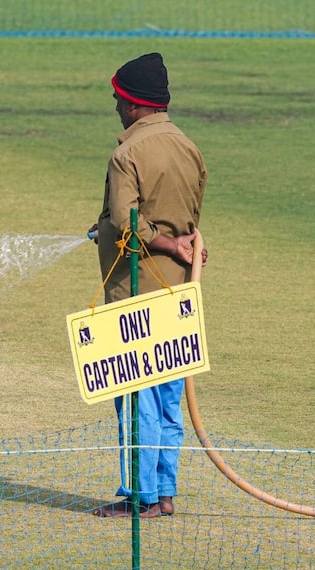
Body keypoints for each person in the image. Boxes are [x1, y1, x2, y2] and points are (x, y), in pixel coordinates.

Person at [88, 53, 208, 518]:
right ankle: (164, 494)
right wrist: (177, 246)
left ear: (136, 104)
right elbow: (187, 221)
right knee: (167, 398)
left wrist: (151, 239)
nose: (116, 105)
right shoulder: (189, 147)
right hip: (178, 297)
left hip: (135, 296)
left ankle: (139, 498)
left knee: (136, 398)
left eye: (120, 98)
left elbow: (128, 226)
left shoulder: (126, 154)